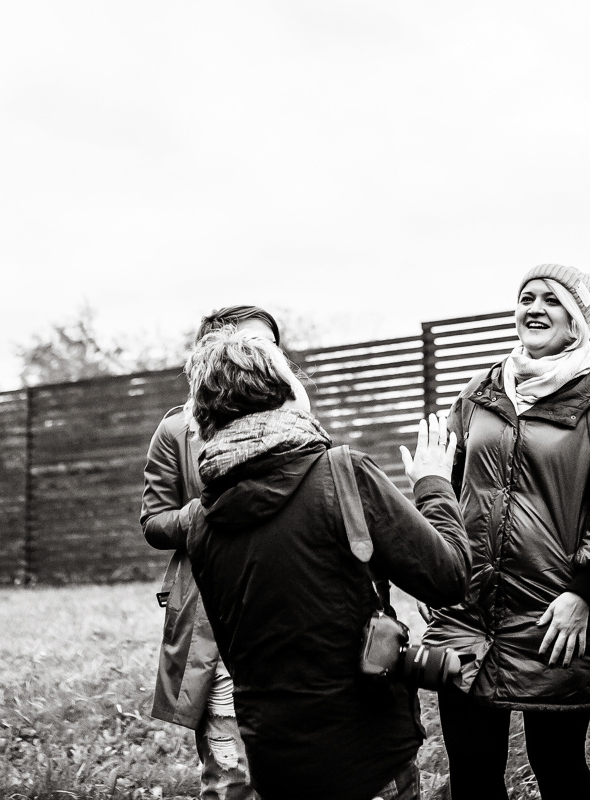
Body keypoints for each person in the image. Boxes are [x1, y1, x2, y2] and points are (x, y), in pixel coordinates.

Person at [182, 328, 471, 800]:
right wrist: (435, 485)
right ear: (282, 390)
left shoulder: (202, 522)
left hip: (276, 764)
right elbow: (450, 576)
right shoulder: (341, 473)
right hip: (370, 759)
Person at [423, 264, 590, 800]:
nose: (534, 308)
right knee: (471, 772)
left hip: (554, 613)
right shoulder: (481, 390)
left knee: (556, 765)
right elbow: (447, 482)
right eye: (526, 297)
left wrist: (585, 593)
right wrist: (437, 569)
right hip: (469, 609)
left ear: (579, 319)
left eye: (552, 299)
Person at [139, 305, 281, 800]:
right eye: (249, 342)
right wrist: (209, 512)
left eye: (270, 345)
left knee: (296, 759)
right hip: (214, 614)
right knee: (230, 770)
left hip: (287, 608)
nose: (261, 354)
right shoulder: (178, 430)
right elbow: (154, 522)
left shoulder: (296, 424)